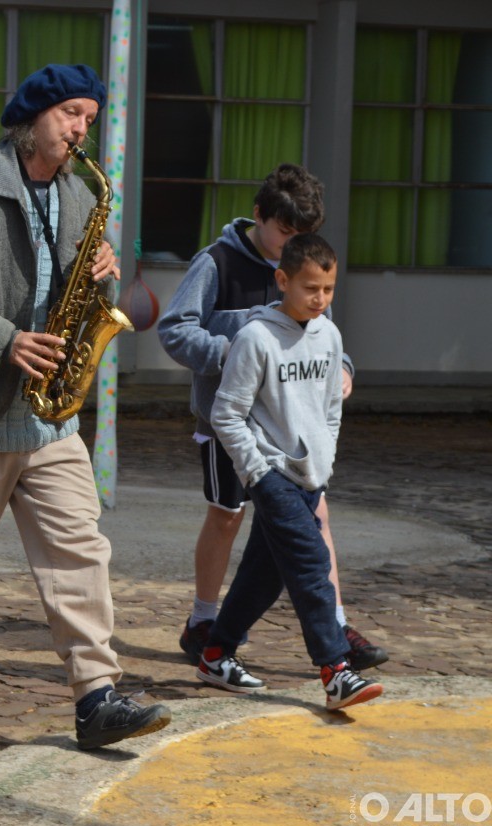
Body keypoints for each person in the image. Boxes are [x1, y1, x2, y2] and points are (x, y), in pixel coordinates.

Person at [0, 63, 171, 750]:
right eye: (71, 113)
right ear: (32, 116)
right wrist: (5, 339)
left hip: (50, 417)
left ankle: (96, 694)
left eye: (89, 116)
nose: (83, 128)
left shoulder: (81, 196)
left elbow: (74, 294)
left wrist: (102, 276)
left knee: (81, 550)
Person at [156, 164, 387, 670]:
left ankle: (338, 624)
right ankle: (202, 621)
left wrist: (342, 368)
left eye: (302, 236)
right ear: (259, 215)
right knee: (226, 516)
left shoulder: (306, 269)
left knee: (314, 516)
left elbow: (322, 332)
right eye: (284, 232)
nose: (292, 245)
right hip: (229, 423)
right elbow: (174, 329)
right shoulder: (215, 262)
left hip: (290, 431)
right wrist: (236, 356)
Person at [199, 233, 383, 711]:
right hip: (270, 474)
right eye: (309, 289)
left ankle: (215, 653)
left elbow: (329, 409)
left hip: (311, 474)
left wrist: (325, 456)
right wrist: (257, 471)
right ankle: (336, 670)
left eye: (328, 289)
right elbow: (226, 413)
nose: (320, 299)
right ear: (282, 281)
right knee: (310, 563)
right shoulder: (256, 338)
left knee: (266, 574)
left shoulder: (330, 336)